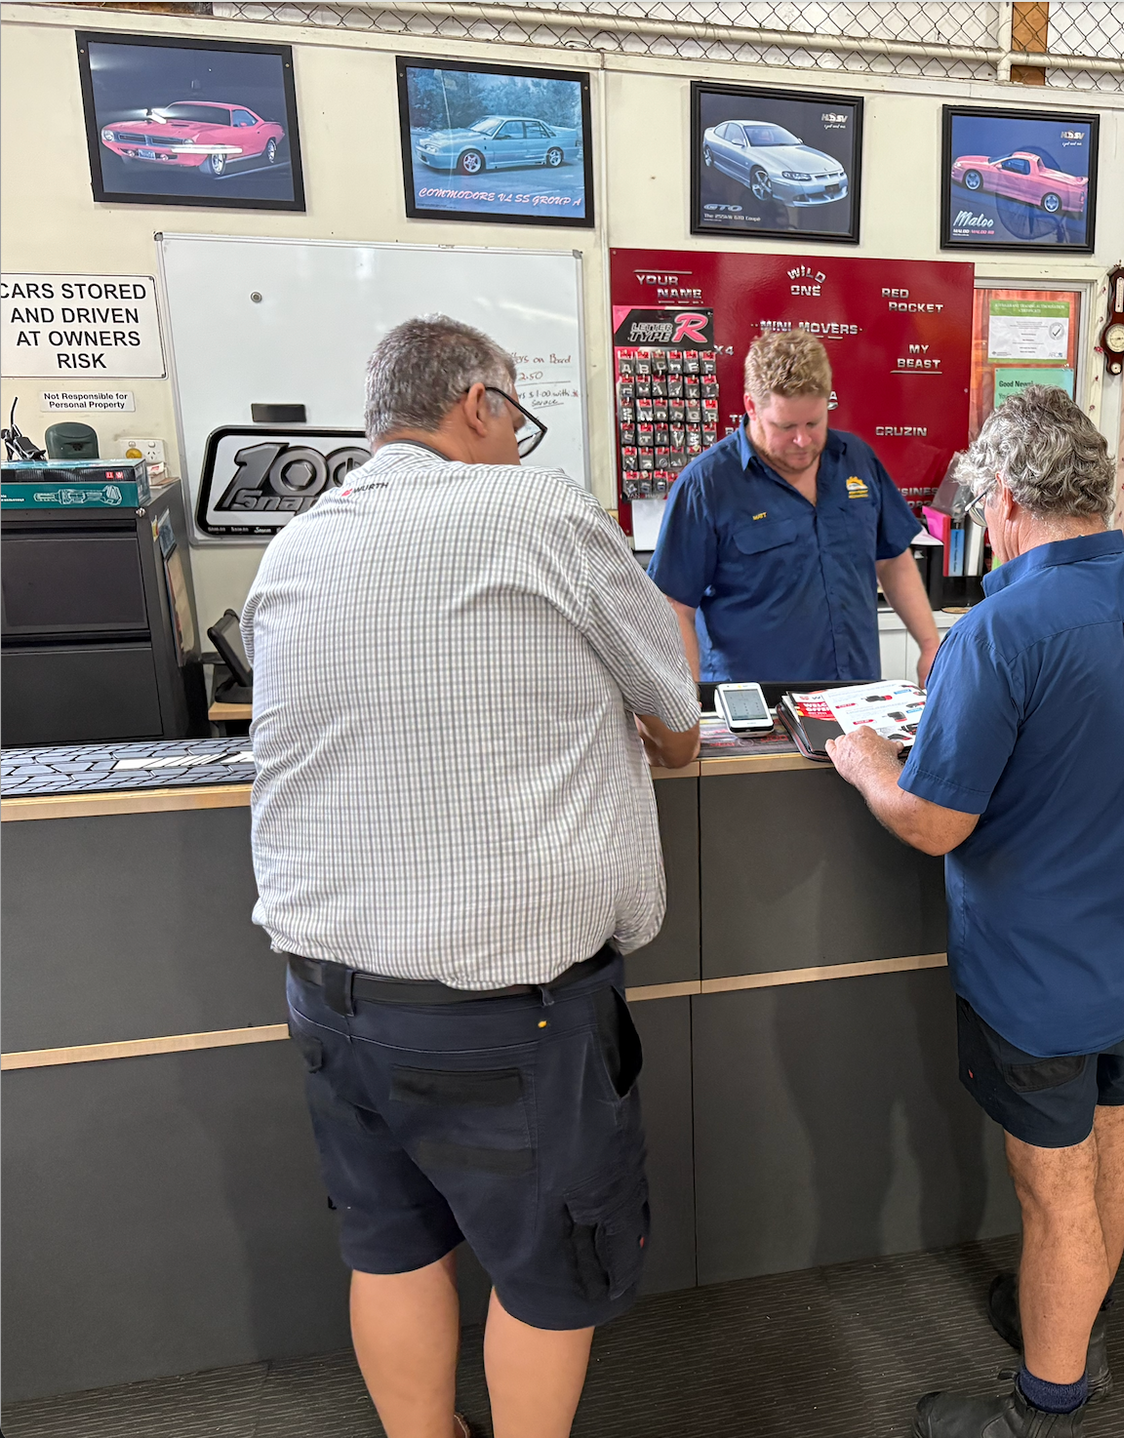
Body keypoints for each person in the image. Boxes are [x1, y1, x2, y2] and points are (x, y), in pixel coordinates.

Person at [244, 315, 700, 1438]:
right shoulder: (536, 508)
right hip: (508, 1012)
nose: (518, 440)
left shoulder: (298, 542)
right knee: (546, 1275)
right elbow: (680, 719)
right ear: (480, 407)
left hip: (330, 994)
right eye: (518, 419)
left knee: (390, 1244)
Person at [827, 385, 1124, 1437]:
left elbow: (934, 825)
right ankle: (1078, 1319)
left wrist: (869, 765)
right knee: (1111, 1133)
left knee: (1053, 1186)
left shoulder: (999, 631)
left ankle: (1047, 1404)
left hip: (1034, 973)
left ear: (1010, 499)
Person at [648, 329, 942, 685]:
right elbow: (674, 606)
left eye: (814, 423)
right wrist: (685, 703)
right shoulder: (706, 485)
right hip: (755, 708)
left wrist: (929, 645)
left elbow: (892, 558)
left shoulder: (857, 460)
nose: (803, 441)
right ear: (751, 407)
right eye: (786, 426)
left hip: (854, 695)